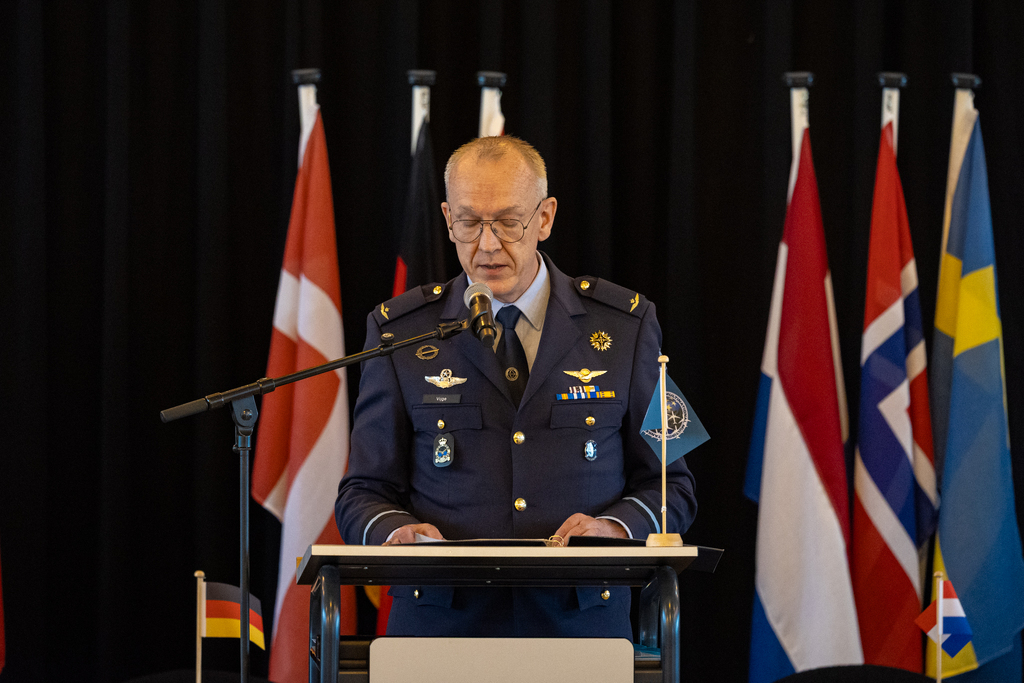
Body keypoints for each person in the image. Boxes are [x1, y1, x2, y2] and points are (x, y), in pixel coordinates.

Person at [335, 136, 697, 638]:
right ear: (447, 220)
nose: (487, 245)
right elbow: (361, 491)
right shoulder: (400, 332)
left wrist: (614, 529)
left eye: (508, 222)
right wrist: (396, 532)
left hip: (579, 629)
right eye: (469, 223)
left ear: (544, 218)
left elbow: (673, 485)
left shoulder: (626, 327)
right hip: (441, 629)